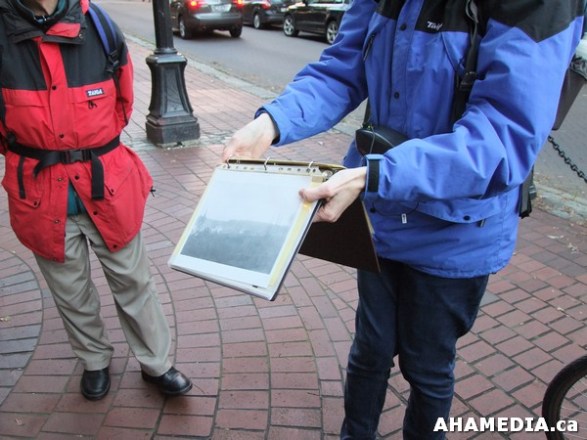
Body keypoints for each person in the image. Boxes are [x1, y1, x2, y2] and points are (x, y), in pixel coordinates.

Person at [223, 0, 584, 438]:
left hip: (455, 230)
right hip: (382, 212)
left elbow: (503, 136)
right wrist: (272, 123)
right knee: (370, 348)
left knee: (427, 366)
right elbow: (342, 67)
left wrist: (377, 175)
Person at [0, 0, 192, 400]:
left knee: (133, 281)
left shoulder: (99, 26)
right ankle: (94, 360)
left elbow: (123, 103)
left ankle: (156, 364)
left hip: (107, 185)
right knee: (70, 291)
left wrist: (88, 147)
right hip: (39, 194)